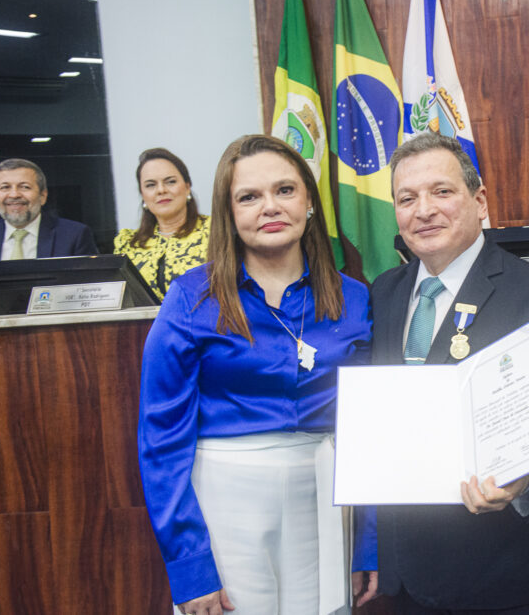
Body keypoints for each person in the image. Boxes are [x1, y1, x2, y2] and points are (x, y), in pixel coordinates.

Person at [138, 135, 375, 615]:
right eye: (249, 196)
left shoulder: (354, 297)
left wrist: (368, 541)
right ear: (229, 213)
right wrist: (190, 565)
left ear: (309, 201)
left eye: (285, 190)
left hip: (326, 495)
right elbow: (161, 442)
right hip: (225, 498)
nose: (270, 207)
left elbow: (370, 431)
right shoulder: (190, 299)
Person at [369, 132, 529, 614]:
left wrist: (523, 481)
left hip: (508, 571)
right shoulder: (383, 293)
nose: (423, 210)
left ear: (479, 201)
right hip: (409, 574)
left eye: (441, 191)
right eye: (407, 199)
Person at [0, 158, 97, 261]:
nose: (14, 195)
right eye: (5, 187)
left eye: (24, 187)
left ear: (43, 195)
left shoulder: (74, 236)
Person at [114, 148, 211, 299]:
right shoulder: (127, 243)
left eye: (170, 182)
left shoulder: (216, 230)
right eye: (150, 185)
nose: (161, 190)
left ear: (187, 187)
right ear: (142, 194)